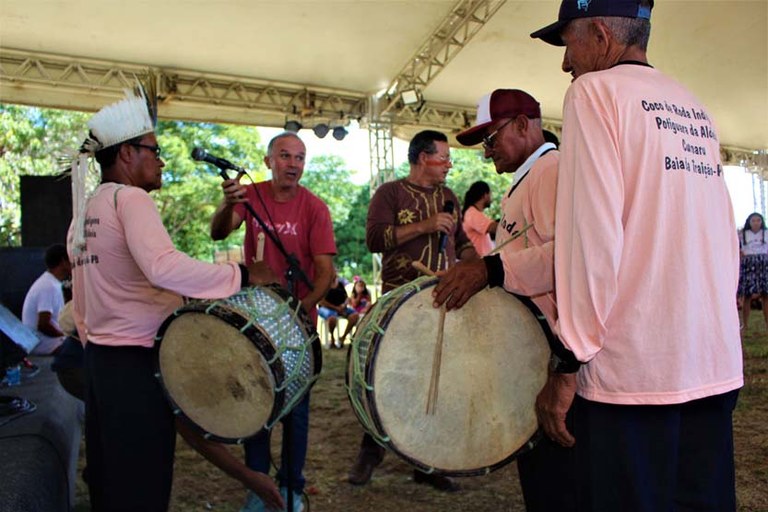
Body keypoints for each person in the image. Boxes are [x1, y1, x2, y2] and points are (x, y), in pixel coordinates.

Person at [530, 1, 743, 510]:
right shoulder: (692, 105)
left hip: (634, 377)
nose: (565, 62)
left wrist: (569, 359)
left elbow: (593, 240)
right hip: (711, 363)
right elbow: (719, 234)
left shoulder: (593, 93)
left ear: (601, 35)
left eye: (569, 43)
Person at [68, 86, 284, 512]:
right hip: (134, 364)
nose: (162, 159)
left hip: (100, 365)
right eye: (155, 149)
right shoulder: (130, 199)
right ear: (127, 154)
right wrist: (241, 274)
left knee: (111, 483)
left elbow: (83, 303)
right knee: (143, 487)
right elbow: (163, 267)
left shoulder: (87, 207)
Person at [432, 89, 574, 511]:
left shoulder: (552, 171)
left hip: (559, 356)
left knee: (560, 486)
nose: (487, 152)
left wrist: (489, 270)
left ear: (523, 125)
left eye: (491, 140)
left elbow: (571, 259)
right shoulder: (528, 177)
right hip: (535, 353)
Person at [211, 131, 336, 512]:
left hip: (297, 324)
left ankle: (292, 488)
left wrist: (298, 312)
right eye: (284, 156)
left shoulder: (315, 208)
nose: (293, 164)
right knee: (257, 405)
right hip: (258, 322)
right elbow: (219, 231)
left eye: (299, 157)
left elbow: (324, 272)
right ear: (268, 161)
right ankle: (258, 487)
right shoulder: (252, 196)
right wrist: (225, 204)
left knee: (296, 413)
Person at [347, 129, 476, 491]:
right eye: (444, 158)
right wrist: (425, 225)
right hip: (397, 303)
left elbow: (462, 242)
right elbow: (375, 239)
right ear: (423, 158)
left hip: (440, 303)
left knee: (436, 380)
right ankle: (370, 452)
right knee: (386, 377)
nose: (449, 165)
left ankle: (427, 462)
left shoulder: (449, 197)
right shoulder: (390, 193)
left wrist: (475, 266)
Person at [21, 243, 71, 355]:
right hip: (44, 344)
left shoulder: (51, 282)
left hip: (47, 341)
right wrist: (65, 335)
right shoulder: (48, 286)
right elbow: (43, 325)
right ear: (63, 261)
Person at [738, 212, 768, 330]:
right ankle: (745, 324)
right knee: (747, 295)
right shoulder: (742, 234)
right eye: (753, 220)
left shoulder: (766, 233)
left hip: (764, 264)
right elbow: (738, 249)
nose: (756, 223)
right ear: (749, 222)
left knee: (766, 295)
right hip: (749, 264)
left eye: (758, 220)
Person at [317, 270, 359, 348]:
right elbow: (321, 301)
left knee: (354, 315)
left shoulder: (340, 284)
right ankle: (332, 339)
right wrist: (336, 308)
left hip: (341, 307)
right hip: (327, 308)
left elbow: (346, 297)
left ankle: (343, 337)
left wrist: (343, 305)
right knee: (332, 318)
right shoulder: (323, 284)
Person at [461, 181, 498, 256]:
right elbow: (493, 228)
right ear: (485, 195)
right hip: (478, 263)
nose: (491, 198)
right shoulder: (472, 213)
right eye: (490, 194)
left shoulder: (473, 212)